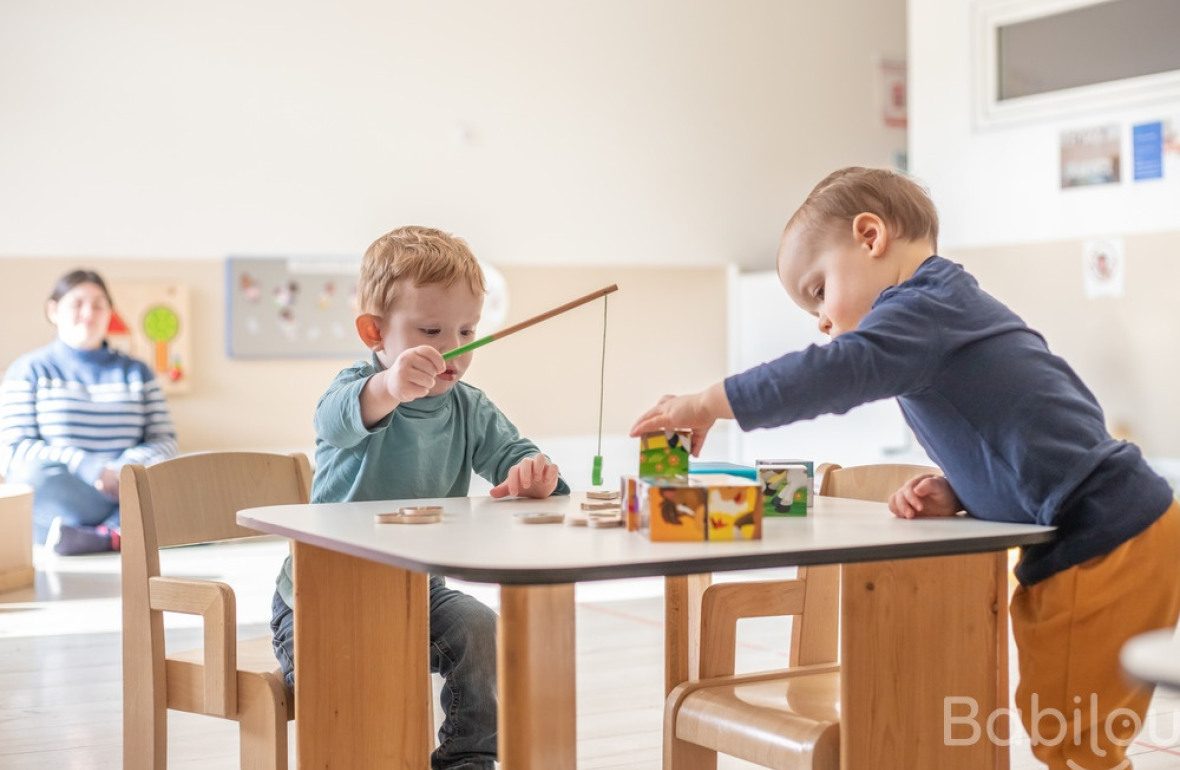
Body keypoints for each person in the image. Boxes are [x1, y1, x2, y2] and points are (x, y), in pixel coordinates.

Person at [630, 166, 1180, 770]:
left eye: (818, 291)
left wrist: (709, 401)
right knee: (1067, 730)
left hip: (1104, 537)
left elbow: (830, 372)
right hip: (1111, 526)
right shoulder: (946, 310)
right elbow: (1033, 432)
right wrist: (962, 487)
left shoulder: (924, 311)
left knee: (1074, 742)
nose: (820, 320)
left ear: (870, 237)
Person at [270, 225, 568, 770]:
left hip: (419, 595)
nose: (453, 348)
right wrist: (387, 387)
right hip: (321, 596)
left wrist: (534, 476)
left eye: (467, 330)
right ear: (375, 333)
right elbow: (335, 421)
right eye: (431, 329)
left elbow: (518, 457)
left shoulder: (469, 408)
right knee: (355, 699)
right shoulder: (357, 389)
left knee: (480, 629)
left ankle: (468, 760)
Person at [0, 269, 179, 555]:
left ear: (110, 312)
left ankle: (101, 536)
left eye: (99, 304)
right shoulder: (29, 370)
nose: (89, 313)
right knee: (32, 475)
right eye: (77, 303)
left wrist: (122, 470)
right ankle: (123, 531)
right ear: (53, 310)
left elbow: (164, 440)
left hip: (129, 489)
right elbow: (13, 451)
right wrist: (89, 467)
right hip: (69, 494)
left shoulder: (137, 371)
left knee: (194, 475)